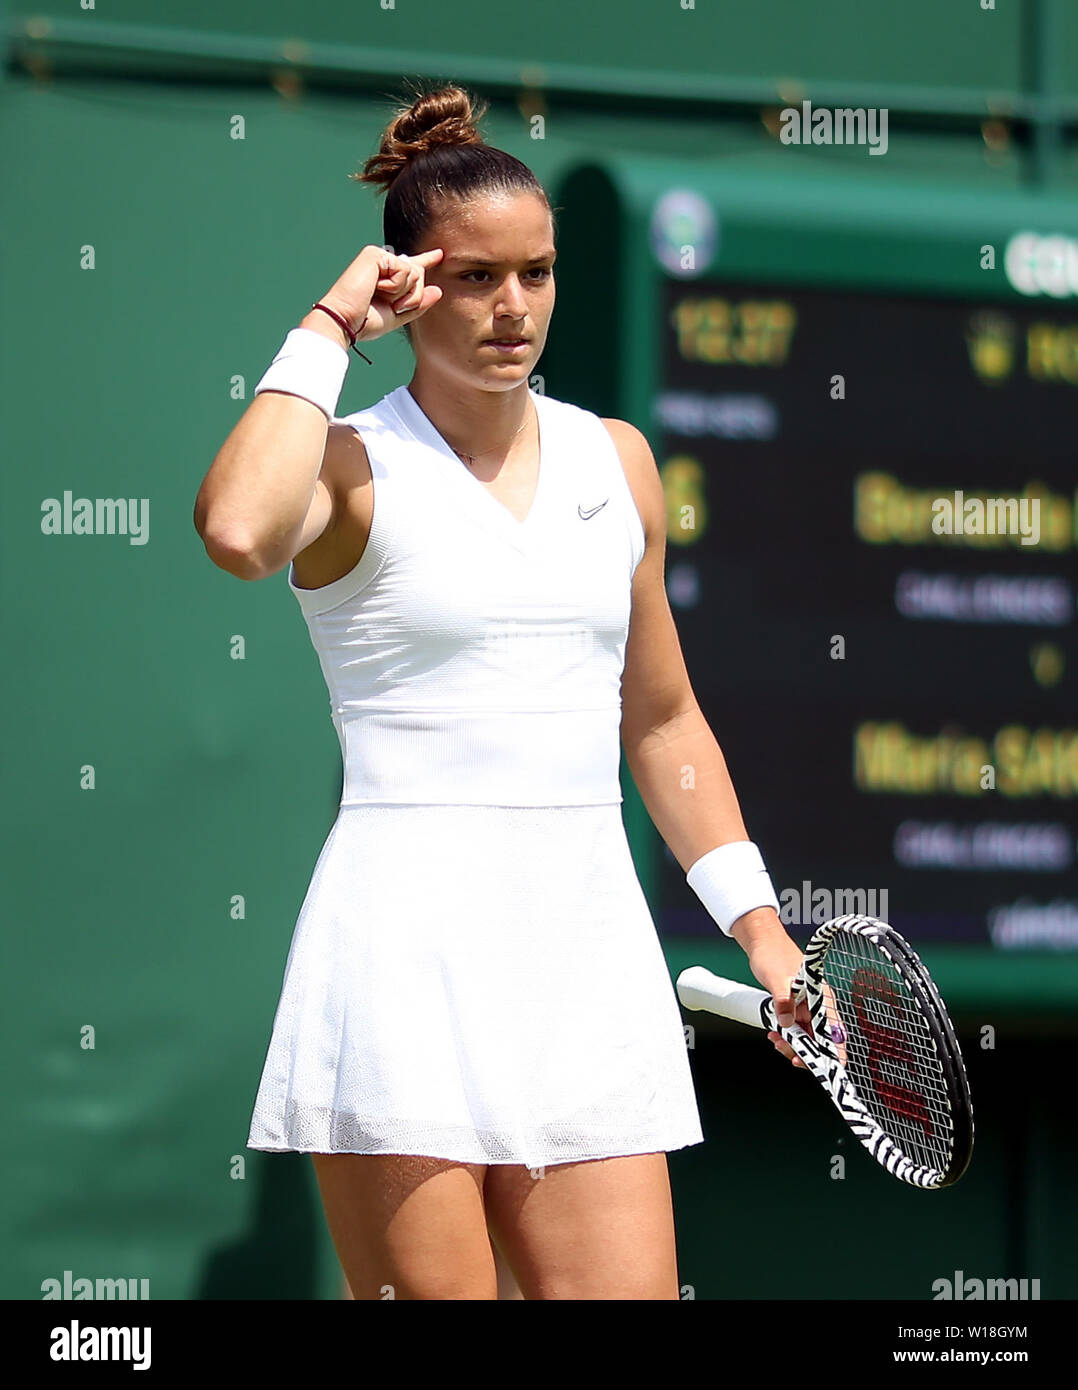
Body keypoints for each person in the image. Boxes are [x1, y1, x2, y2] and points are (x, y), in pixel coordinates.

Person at [193, 83, 811, 1301]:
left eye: (536, 271)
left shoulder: (617, 462)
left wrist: (763, 929)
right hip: (397, 963)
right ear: (410, 282)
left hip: (587, 967)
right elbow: (234, 527)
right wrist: (328, 324)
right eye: (475, 277)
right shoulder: (348, 465)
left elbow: (662, 718)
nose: (513, 306)